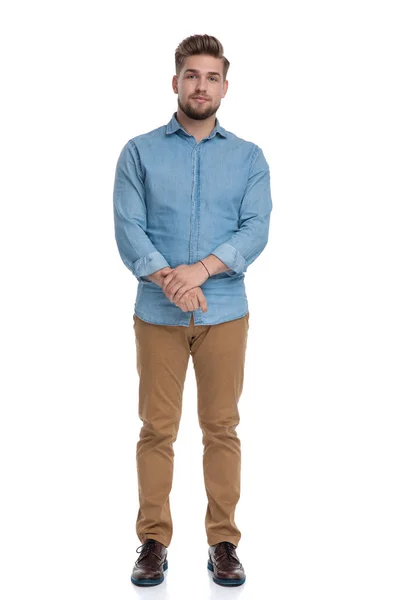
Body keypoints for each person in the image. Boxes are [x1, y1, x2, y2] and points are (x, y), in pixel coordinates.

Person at [113, 33, 273, 587]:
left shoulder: (249, 157)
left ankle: (223, 541)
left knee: (221, 427)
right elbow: (129, 226)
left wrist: (199, 272)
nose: (200, 86)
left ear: (224, 87)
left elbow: (255, 229)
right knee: (156, 429)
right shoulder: (138, 152)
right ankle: (153, 540)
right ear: (175, 81)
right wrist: (169, 280)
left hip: (225, 312)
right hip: (156, 315)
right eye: (191, 75)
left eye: (211, 77)